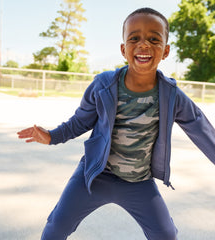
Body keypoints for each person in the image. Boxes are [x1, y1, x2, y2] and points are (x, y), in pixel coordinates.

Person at [17, 7, 215, 240]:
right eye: (134, 38)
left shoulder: (171, 95)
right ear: (123, 49)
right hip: (95, 177)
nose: (144, 45)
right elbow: (80, 121)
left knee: (166, 234)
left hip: (139, 183)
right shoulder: (103, 85)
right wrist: (52, 136)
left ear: (166, 51)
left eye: (154, 39)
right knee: (56, 227)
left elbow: (201, 128)